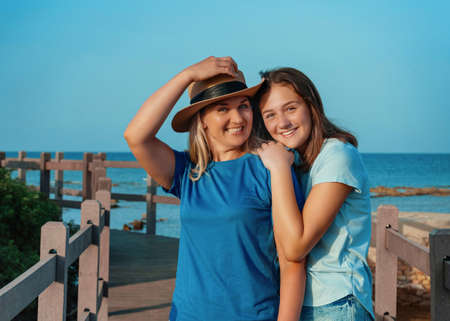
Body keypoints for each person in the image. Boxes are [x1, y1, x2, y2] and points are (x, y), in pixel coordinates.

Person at [124, 57, 306, 321]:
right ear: (203, 119)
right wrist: (187, 75)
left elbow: (292, 260)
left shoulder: (271, 165)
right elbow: (136, 136)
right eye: (222, 109)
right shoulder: (187, 172)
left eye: (243, 106)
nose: (237, 118)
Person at [253, 67, 375, 321]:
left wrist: (277, 167)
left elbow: (296, 247)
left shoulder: (338, 155)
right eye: (270, 115)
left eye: (290, 108)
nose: (282, 123)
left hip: (336, 302)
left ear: (311, 106)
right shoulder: (293, 160)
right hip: (294, 301)